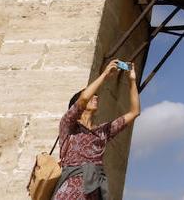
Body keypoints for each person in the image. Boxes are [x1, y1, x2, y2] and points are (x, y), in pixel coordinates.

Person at [53, 58, 141, 200]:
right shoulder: (68, 125)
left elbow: (134, 112)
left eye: (96, 96)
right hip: (70, 192)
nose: (95, 97)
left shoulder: (103, 131)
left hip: (94, 191)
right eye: (92, 95)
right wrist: (105, 74)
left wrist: (132, 81)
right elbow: (83, 99)